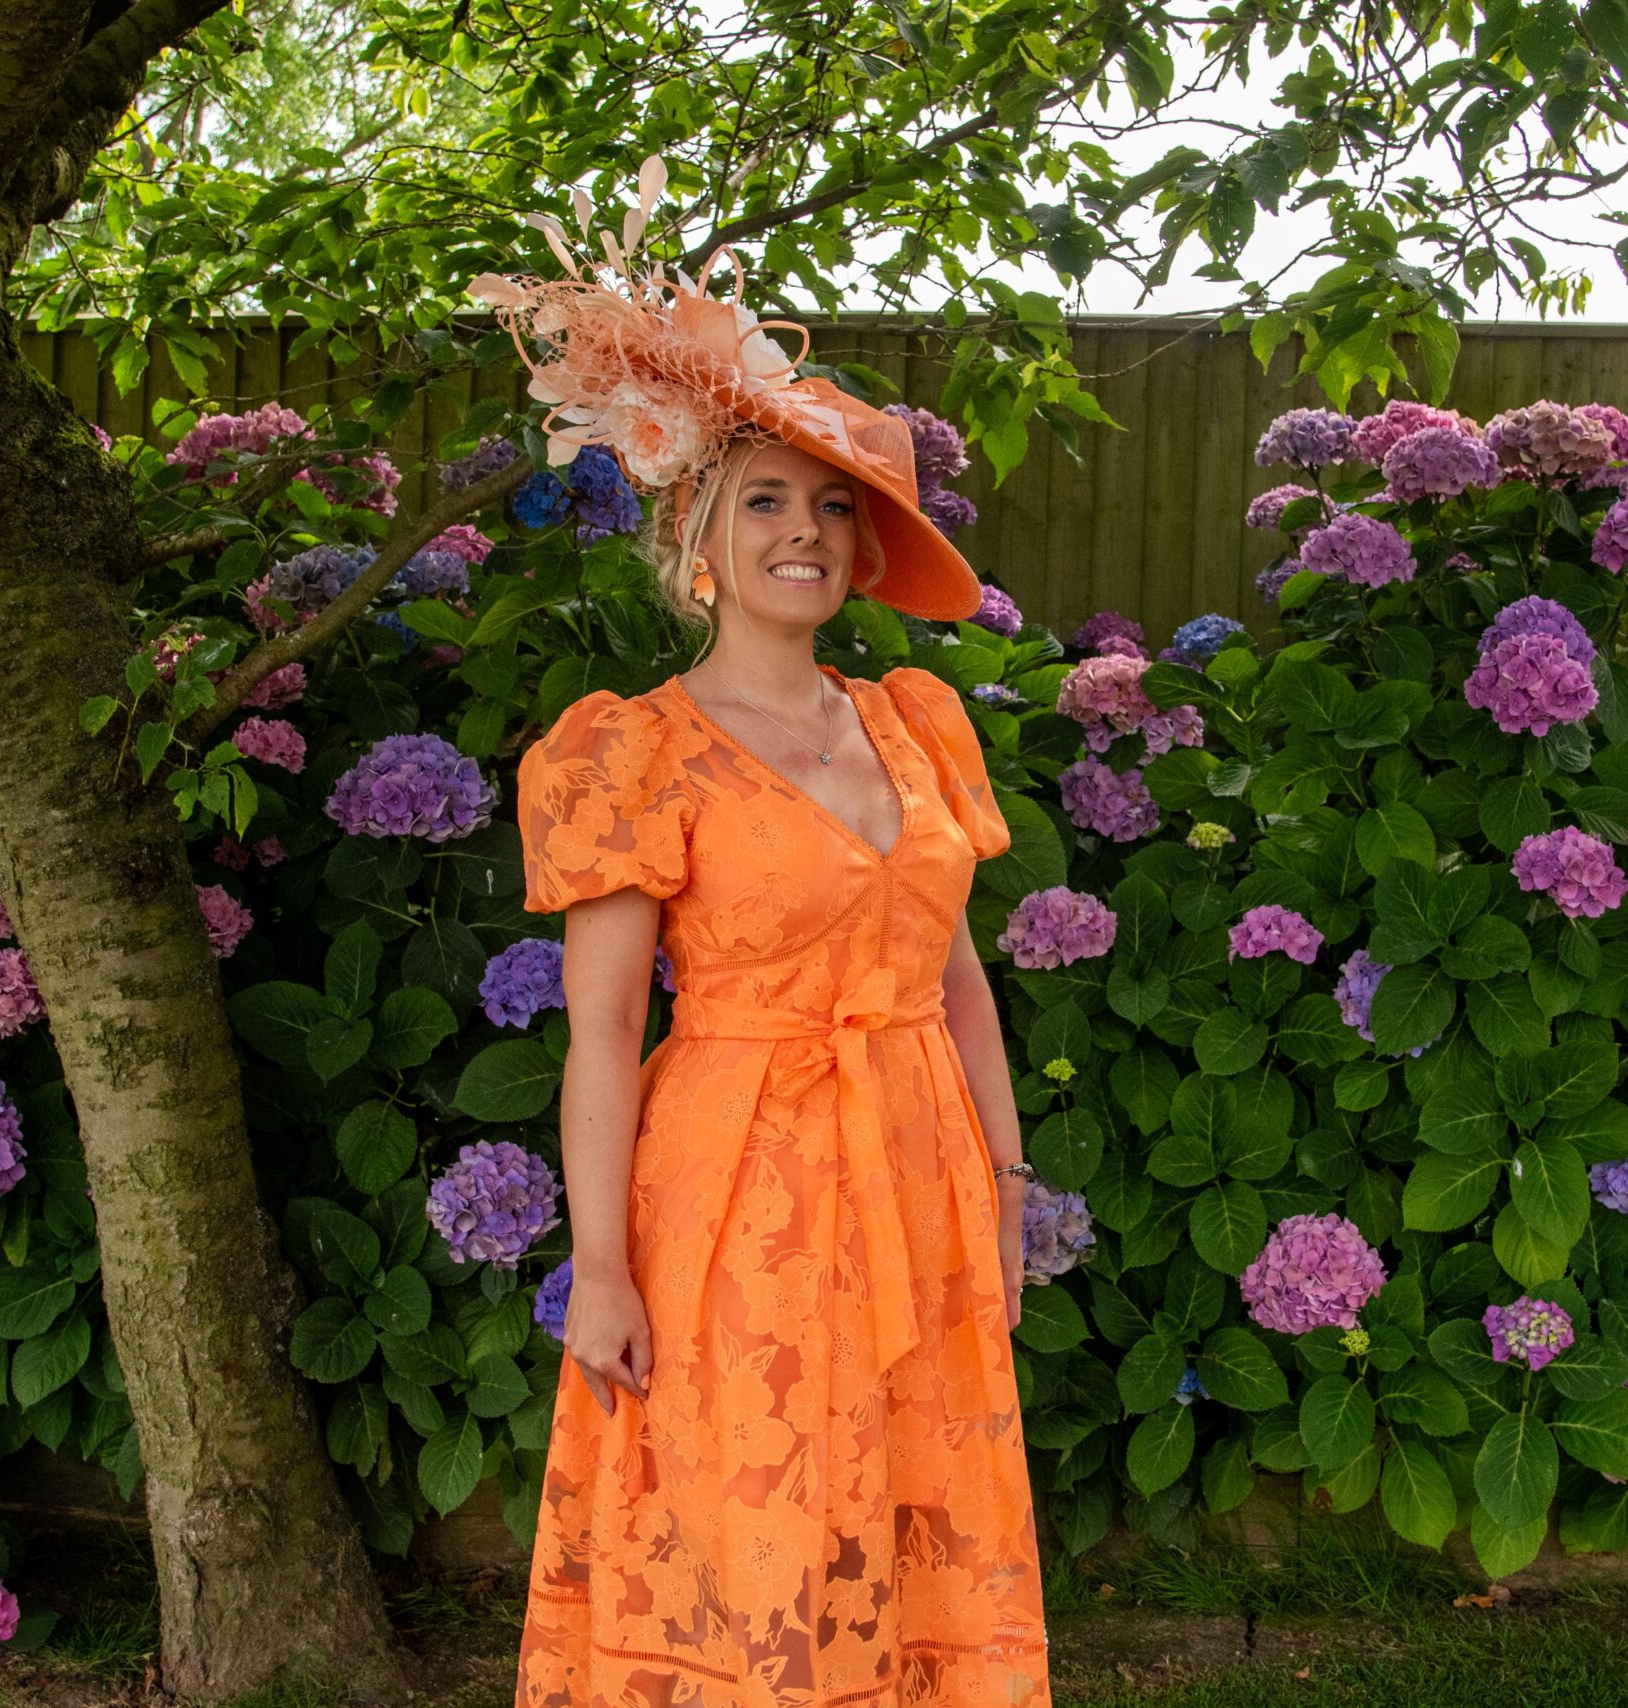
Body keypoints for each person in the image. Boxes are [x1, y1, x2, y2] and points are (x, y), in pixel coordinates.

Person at [478, 157, 1051, 1706]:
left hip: (921, 1171)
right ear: (701, 539)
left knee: (908, 1503)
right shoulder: (636, 752)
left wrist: (1005, 1189)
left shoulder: (918, 728)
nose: (805, 531)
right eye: (767, 501)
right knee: (751, 1517)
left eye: (833, 507)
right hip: (734, 1192)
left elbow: (960, 982)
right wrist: (602, 1267)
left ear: (865, 549)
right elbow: (606, 1031)